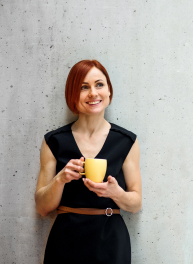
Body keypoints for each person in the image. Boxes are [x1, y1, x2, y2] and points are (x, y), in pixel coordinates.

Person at [34, 60, 142, 263]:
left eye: (99, 84)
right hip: (66, 240)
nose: (93, 93)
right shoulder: (54, 141)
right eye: (84, 87)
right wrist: (60, 179)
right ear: (72, 95)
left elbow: (136, 203)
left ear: (109, 91)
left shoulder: (126, 141)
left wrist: (116, 193)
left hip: (111, 240)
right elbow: (41, 207)